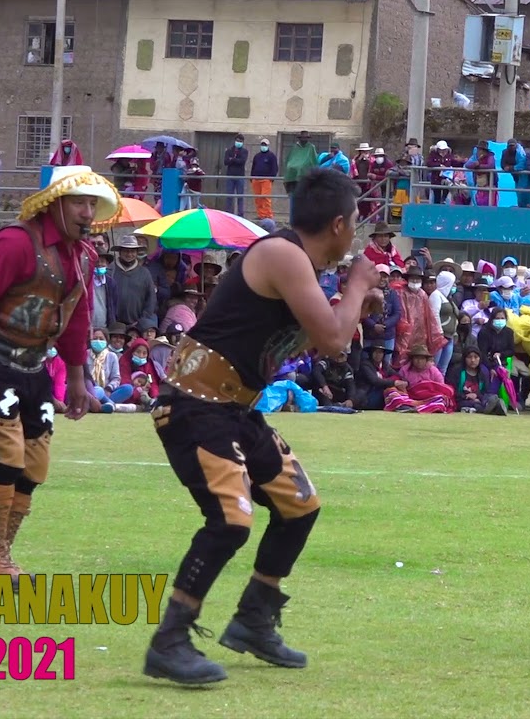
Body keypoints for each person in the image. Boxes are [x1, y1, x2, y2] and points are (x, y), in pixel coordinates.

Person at [144, 169, 381, 685]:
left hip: (234, 409)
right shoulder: (282, 254)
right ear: (338, 224)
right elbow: (334, 342)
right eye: (355, 222)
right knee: (231, 519)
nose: (356, 233)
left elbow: (322, 338)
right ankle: (169, 640)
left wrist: (354, 304)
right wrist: (359, 285)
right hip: (196, 405)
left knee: (300, 506)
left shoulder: (297, 264)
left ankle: (254, 617)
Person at [0, 165, 116, 586]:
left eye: (92, 204)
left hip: (35, 367)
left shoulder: (85, 255)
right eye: (78, 203)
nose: (87, 212)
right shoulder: (14, 243)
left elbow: (77, 318)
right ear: (54, 204)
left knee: (35, 465)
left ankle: (1, 555)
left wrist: (78, 378)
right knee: (7, 455)